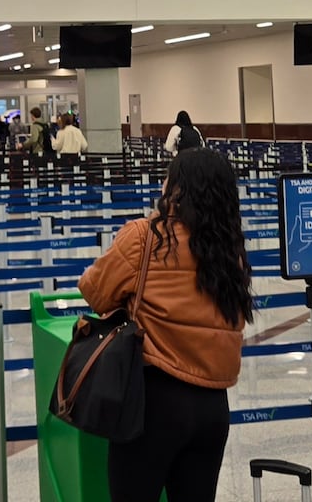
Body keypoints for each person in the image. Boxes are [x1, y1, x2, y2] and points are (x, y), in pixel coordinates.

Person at [78, 148, 254, 502]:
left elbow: (94, 291)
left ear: (176, 188)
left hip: (154, 402)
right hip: (213, 409)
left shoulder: (146, 236)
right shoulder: (229, 250)